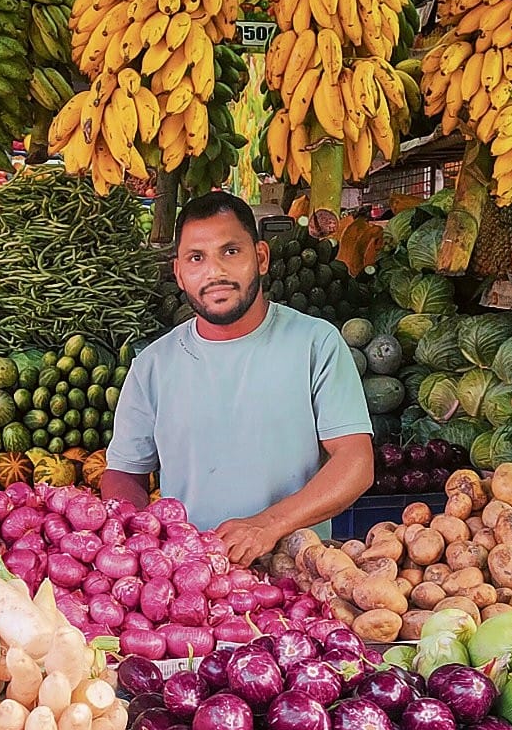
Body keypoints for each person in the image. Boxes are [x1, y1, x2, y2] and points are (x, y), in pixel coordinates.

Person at [101, 192, 373, 566]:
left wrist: (268, 526)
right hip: (191, 577)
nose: (215, 273)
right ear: (179, 273)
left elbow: (356, 462)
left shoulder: (315, 343)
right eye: (196, 258)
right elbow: (124, 473)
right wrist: (139, 538)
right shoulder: (153, 365)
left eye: (231, 252)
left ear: (260, 257)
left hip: (296, 572)